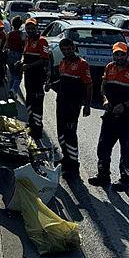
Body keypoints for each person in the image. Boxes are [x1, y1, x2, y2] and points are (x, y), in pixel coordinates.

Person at [88, 42, 129, 192]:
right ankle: (103, 175)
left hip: (128, 119)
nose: (119, 57)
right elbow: (103, 87)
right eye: (117, 54)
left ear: (127, 54)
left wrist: (125, 105)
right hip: (110, 116)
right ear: (113, 54)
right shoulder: (109, 67)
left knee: (127, 149)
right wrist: (105, 100)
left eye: (122, 54)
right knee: (103, 147)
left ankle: (125, 180)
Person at [46, 38, 92, 178]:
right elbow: (62, 80)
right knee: (61, 132)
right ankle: (66, 158)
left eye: (69, 49)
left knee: (70, 135)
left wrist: (87, 105)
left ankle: (73, 166)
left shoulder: (82, 64)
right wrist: (51, 84)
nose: (66, 52)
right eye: (64, 50)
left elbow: (88, 85)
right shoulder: (62, 62)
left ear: (74, 47)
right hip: (61, 102)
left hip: (73, 105)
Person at [20, 18, 50, 140]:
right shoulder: (28, 40)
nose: (30, 30)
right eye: (28, 28)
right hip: (28, 77)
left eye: (33, 28)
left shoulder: (42, 41)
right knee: (29, 101)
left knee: (37, 104)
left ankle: (37, 129)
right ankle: (32, 124)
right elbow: (26, 56)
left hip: (37, 77)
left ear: (37, 28)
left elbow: (44, 60)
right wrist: (20, 62)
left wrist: (29, 66)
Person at [5, 16, 24, 98]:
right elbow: (23, 46)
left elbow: (6, 45)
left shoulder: (9, 34)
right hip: (18, 54)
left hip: (10, 53)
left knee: (12, 73)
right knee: (18, 74)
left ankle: (11, 90)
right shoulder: (21, 34)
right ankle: (14, 89)